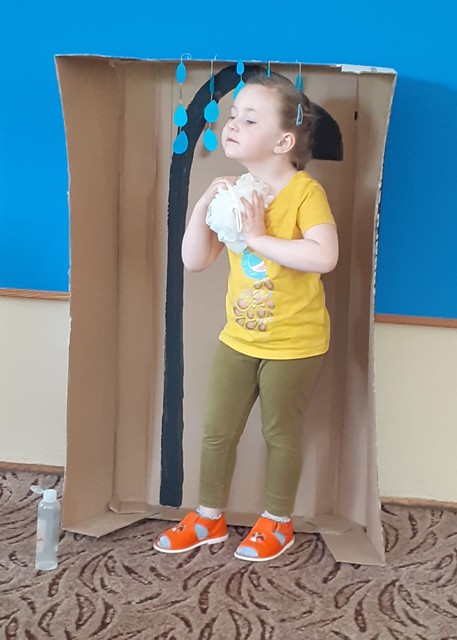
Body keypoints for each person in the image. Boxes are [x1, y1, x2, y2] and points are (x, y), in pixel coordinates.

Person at [154, 71, 338, 562]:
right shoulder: (235, 193)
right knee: (217, 430)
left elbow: (324, 256)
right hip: (238, 337)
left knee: (281, 433)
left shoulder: (305, 193)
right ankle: (208, 516)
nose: (232, 124)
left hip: (294, 342)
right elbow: (195, 260)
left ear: (283, 142)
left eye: (249, 119)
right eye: (233, 115)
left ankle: (277, 522)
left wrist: (257, 237)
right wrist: (203, 205)